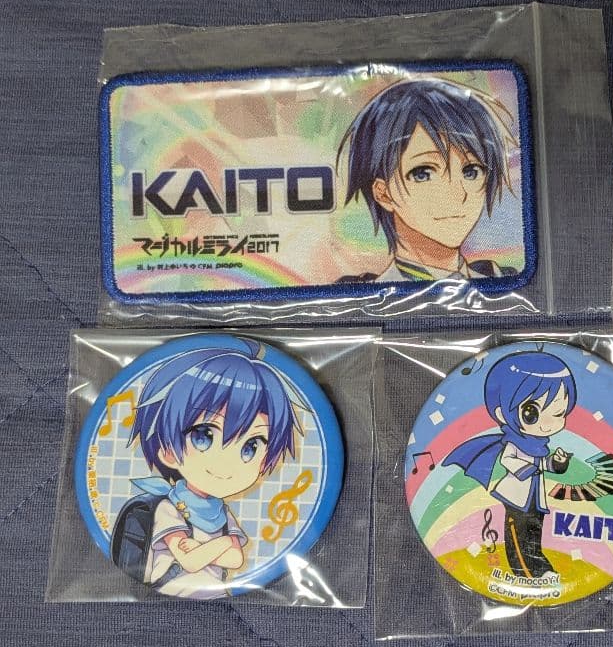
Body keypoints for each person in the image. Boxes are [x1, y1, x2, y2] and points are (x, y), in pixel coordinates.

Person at [123, 340, 304, 598]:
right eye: (204, 436)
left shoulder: (221, 511)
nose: (226, 463)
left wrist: (208, 547)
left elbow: (235, 559)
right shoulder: (167, 507)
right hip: (172, 590)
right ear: (168, 451)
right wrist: (222, 544)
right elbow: (190, 561)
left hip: (217, 594)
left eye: (250, 447)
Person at [337, 78, 515, 283]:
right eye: (423, 174)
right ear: (383, 193)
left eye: (471, 171)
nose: (457, 194)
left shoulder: (501, 278)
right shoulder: (361, 292)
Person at [443, 351, 576, 580]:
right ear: (502, 413)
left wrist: (558, 463)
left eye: (558, 413)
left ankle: (540, 567)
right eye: (533, 412)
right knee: (518, 535)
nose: (549, 423)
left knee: (534, 533)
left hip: (534, 499)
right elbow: (508, 460)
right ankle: (524, 572)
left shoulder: (538, 445)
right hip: (516, 497)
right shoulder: (513, 443)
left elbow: (543, 464)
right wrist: (529, 469)